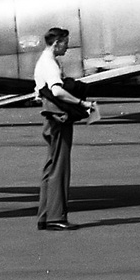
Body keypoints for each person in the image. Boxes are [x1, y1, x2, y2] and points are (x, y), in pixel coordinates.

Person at [35, 27, 95, 230]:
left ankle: (45, 215)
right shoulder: (50, 64)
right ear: (57, 43)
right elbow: (57, 91)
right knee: (60, 168)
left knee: (51, 167)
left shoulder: (43, 61)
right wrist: (82, 103)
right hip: (58, 118)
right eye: (66, 43)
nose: (67, 47)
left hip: (50, 118)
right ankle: (56, 217)